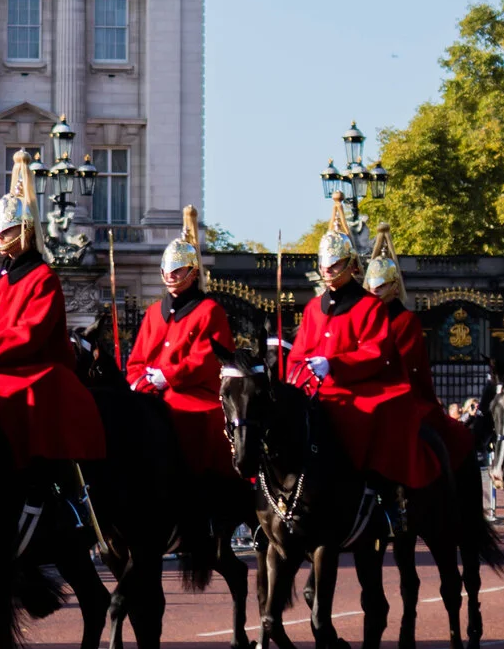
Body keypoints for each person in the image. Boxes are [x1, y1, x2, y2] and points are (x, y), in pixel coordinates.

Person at [0, 150, 108, 471]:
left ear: (25, 230)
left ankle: (33, 479)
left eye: (6, 231)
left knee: (11, 396)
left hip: (33, 369)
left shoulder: (43, 278)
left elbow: (30, 333)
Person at [278, 198, 444, 500]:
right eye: (324, 266)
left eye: (336, 265)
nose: (328, 272)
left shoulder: (370, 306)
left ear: (352, 266)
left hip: (360, 386)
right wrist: (298, 375)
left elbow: (375, 352)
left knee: (364, 413)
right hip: (316, 388)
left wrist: (334, 365)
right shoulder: (315, 307)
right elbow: (299, 352)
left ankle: (377, 491)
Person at [361, 225, 476, 509]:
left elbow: (407, 364)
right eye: (372, 288)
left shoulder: (406, 321)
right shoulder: (362, 318)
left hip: (404, 396)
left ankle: (407, 498)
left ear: (393, 287)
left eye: (382, 287)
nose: (375, 294)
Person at [125, 205, 238, 477]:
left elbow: (206, 360)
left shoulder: (209, 311)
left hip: (194, 395)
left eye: (179, 270)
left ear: (192, 272)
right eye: (169, 270)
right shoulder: (154, 312)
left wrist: (168, 376)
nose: (172, 275)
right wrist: (142, 381)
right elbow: (137, 359)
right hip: (151, 395)